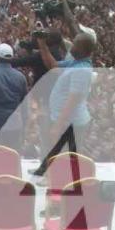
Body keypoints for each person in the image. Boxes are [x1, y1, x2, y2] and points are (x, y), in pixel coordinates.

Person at [31, 31, 96, 177]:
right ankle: (44, 173)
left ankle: (66, 182)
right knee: (54, 149)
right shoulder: (75, 62)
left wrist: (59, 124)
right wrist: (42, 44)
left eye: (76, 44)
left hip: (71, 121)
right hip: (66, 120)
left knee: (67, 154)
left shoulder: (82, 70)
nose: (72, 46)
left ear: (84, 49)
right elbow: (53, 66)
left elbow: (73, 100)